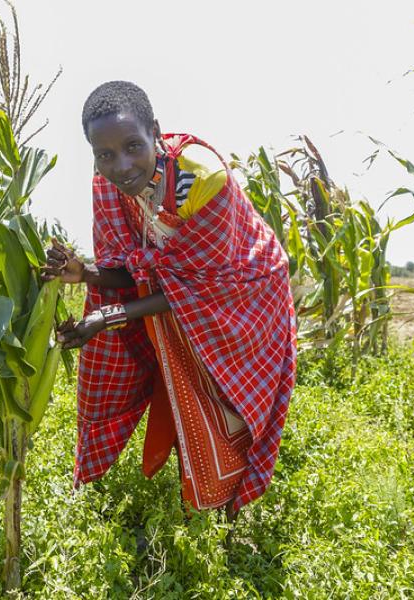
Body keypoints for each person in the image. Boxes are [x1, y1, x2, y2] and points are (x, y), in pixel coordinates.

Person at [42, 81, 296, 516]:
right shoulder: (108, 186)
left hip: (246, 290)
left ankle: (228, 506)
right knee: (182, 377)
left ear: (155, 132)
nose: (121, 166)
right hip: (186, 294)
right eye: (104, 155)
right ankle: (198, 493)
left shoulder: (201, 179)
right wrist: (85, 273)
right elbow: (139, 271)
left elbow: (199, 287)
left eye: (133, 146)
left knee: (225, 392)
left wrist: (107, 317)